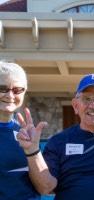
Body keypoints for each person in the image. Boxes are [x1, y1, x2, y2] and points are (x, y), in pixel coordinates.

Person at [16, 74, 94, 200]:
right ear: (75, 106)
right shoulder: (59, 142)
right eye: (86, 99)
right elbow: (46, 188)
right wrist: (32, 152)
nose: (93, 105)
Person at [0, 61, 40, 199]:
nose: (10, 95)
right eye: (2, 88)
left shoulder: (25, 133)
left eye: (17, 90)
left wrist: (34, 151)